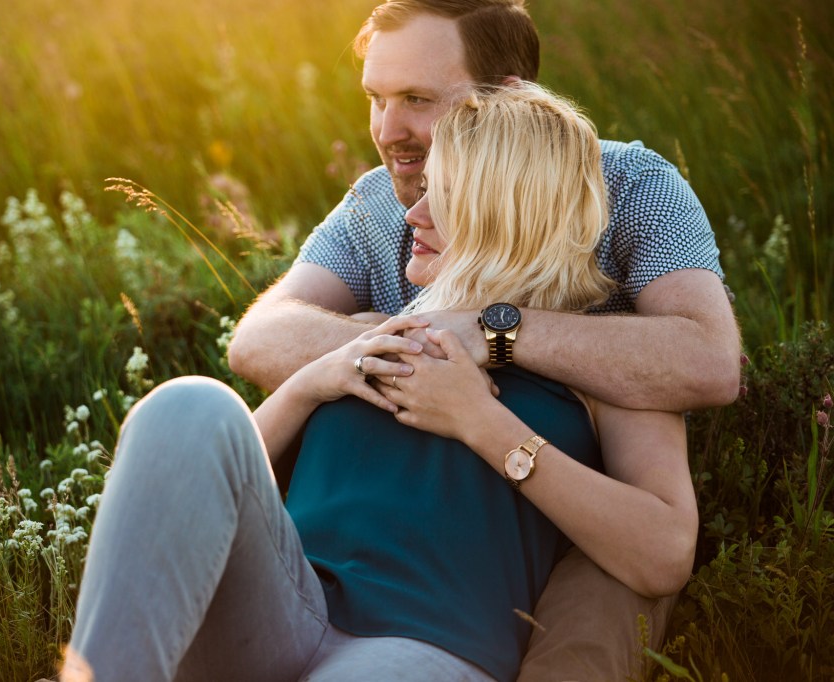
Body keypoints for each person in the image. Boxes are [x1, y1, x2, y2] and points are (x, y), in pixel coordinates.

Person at [57, 83, 698, 682]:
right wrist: (313, 381)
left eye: (441, 196)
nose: (412, 214)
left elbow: (662, 553)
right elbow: (205, 492)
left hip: (425, 647)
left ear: (510, 217)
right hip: (288, 604)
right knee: (188, 407)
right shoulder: (371, 326)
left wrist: (483, 423)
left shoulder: (602, 363)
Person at [226, 1, 741, 677]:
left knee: (595, 609)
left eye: (417, 99)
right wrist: (401, 341)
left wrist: (494, 337)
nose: (388, 131)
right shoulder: (383, 201)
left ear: (511, 99)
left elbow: (705, 362)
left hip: (566, 513)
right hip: (354, 565)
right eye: (376, 99)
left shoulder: (632, 187)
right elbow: (260, 337)